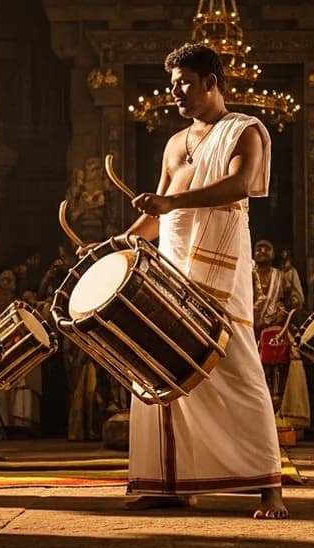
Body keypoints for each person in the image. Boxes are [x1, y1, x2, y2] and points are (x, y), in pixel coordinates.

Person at [118, 42, 286, 518]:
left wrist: (169, 205)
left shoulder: (245, 129)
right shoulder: (175, 143)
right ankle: (167, 482)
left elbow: (239, 185)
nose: (175, 94)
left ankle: (268, 484)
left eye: (184, 85)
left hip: (219, 261)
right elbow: (158, 209)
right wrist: (119, 244)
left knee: (234, 363)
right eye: (172, 87)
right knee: (159, 364)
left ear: (211, 82)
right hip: (172, 259)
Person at [253, 239, 308, 429]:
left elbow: (294, 301)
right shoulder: (246, 275)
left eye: (267, 248)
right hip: (249, 329)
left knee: (277, 374)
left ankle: (276, 417)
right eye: (258, 248)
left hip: (274, 330)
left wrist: (285, 312)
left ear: (273, 254)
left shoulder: (281, 276)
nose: (262, 251)